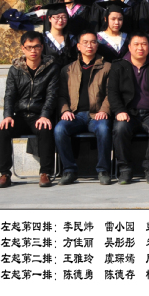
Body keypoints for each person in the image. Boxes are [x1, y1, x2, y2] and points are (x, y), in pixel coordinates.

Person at [0, 31, 60, 189]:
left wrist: (45, 115)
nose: (33, 51)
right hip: (21, 115)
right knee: (3, 130)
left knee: (46, 129)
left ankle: (45, 173)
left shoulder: (51, 68)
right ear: (23, 48)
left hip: (40, 115)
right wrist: (8, 115)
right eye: (29, 47)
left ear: (42, 47)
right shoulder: (15, 69)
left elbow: (52, 95)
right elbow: (9, 95)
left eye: (36, 46)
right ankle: (5, 174)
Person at [108, 30, 149, 185]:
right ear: (129, 47)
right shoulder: (119, 66)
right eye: (136, 44)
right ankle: (125, 169)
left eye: (144, 44)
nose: (140, 47)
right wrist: (119, 111)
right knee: (120, 128)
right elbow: (112, 92)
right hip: (128, 113)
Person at [54, 31, 112, 185]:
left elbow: (111, 93)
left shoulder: (107, 67)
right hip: (75, 115)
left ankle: (103, 170)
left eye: (93, 42)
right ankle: (69, 170)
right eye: (85, 42)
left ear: (97, 45)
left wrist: (104, 110)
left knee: (104, 129)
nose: (89, 45)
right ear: (78, 46)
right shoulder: (68, 69)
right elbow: (61, 95)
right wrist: (65, 110)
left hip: (96, 115)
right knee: (59, 129)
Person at [41, 3, 77, 68]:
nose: (60, 20)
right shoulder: (43, 39)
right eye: (57, 17)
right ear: (49, 18)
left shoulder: (72, 39)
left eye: (64, 17)